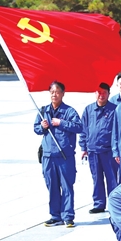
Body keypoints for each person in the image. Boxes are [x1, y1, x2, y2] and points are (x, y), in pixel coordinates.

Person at [34, 81, 83, 227]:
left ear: (63, 94)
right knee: (52, 186)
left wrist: (61, 123)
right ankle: (55, 216)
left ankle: (68, 216)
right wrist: (41, 127)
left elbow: (79, 127)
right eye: (52, 92)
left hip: (64, 156)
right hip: (48, 156)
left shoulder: (69, 111)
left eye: (57, 92)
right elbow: (36, 129)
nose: (54, 95)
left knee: (67, 186)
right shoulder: (43, 111)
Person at [80, 82, 119, 214]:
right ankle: (99, 203)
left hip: (108, 151)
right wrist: (83, 147)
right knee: (96, 178)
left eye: (104, 93)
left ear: (109, 94)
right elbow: (83, 129)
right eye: (99, 92)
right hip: (93, 151)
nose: (101, 95)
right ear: (95, 93)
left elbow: (117, 131)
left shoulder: (115, 109)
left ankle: (114, 203)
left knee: (112, 178)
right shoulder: (88, 110)